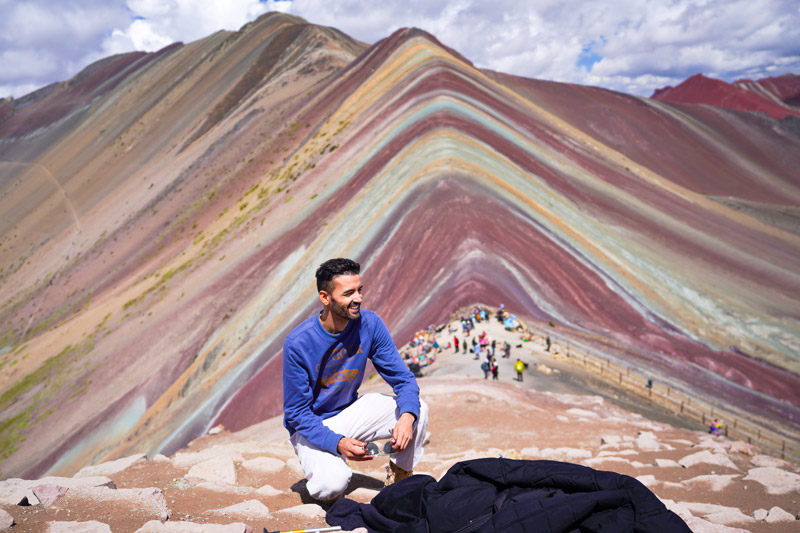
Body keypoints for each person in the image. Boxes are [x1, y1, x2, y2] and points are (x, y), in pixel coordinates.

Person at [282, 258, 429, 501]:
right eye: (348, 293)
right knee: (330, 486)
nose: (358, 298)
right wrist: (337, 442)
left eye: (360, 290)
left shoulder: (370, 324)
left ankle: (400, 476)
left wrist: (406, 417)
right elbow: (296, 413)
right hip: (312, 425)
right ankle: (329, 463)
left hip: (351, 411)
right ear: (325, 297)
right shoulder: (298, 343)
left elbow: (403, 379)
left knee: (417, 410)